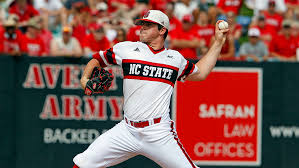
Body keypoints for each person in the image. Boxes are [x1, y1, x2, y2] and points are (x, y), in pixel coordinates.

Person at [73, 10, 229, 168]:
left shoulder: (175, 59)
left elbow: (200, 73)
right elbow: (97, 59)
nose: (142, 28)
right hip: (127, 130)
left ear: (162, 30)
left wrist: (217, 43)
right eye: (142, 24)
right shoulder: (126, 49)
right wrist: (84, 78)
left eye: (148, 25)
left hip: (158, 132)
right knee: (83, 163)